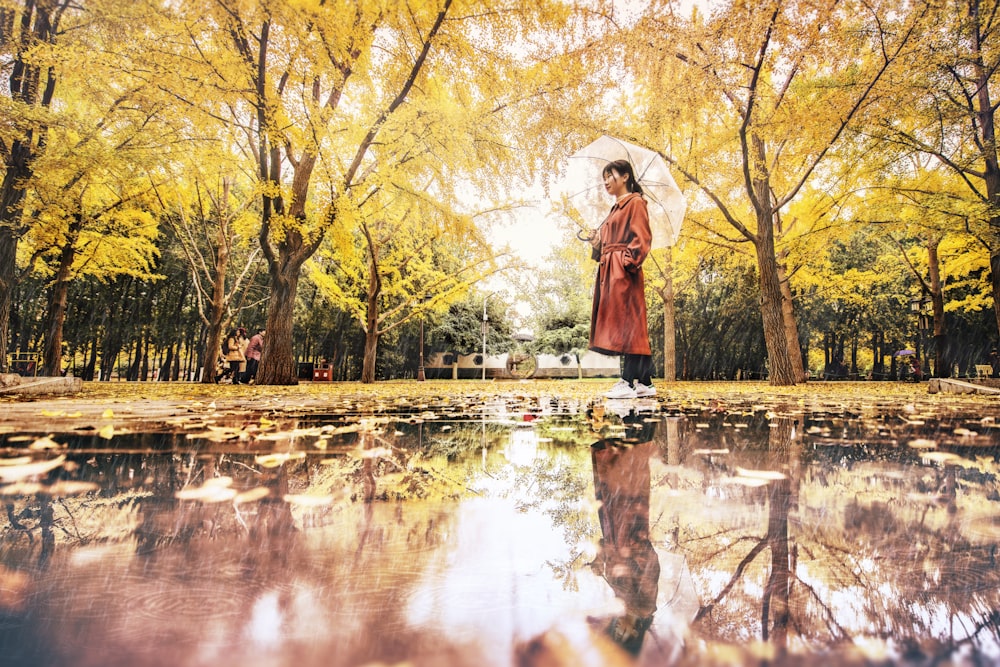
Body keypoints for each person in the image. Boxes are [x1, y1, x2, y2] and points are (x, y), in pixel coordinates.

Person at [585, 159, 655, 399]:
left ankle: (627, 382)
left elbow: (642, 238)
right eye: (603, 177)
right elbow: (605, 245)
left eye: (610, 175)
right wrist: (597, 243)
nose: (605, 181)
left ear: (625, 176)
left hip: (622, 272)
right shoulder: (615, 209)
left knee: (630, 325)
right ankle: (645, 381)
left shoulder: (635, 203)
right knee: (629, 323)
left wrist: (627, 263)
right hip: (610, 272)